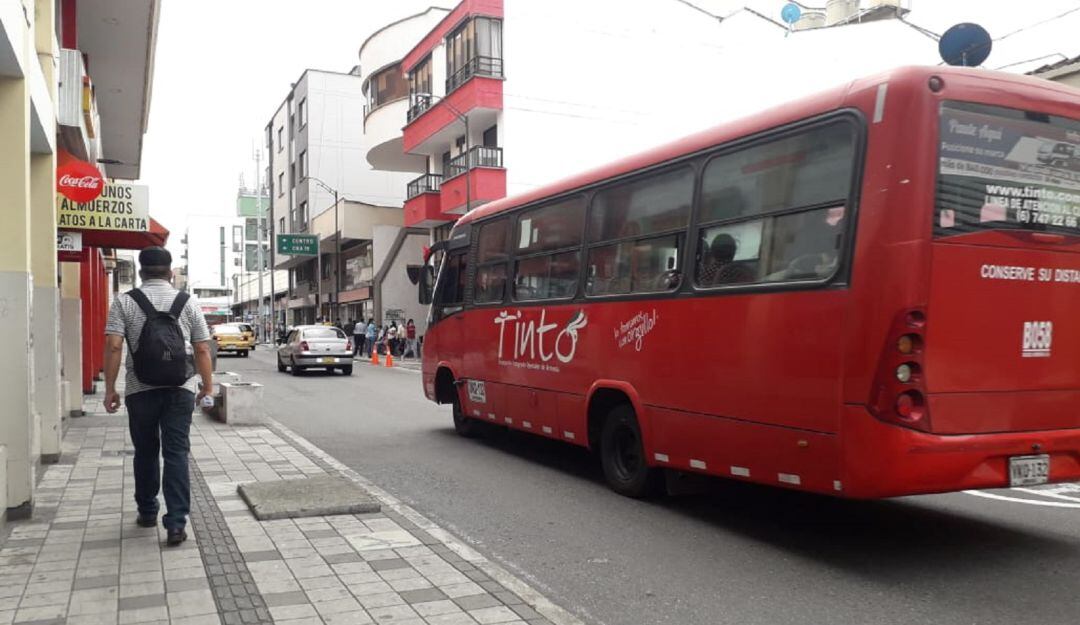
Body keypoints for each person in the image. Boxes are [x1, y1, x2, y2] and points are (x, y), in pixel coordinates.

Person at [103, 246, 213, 546]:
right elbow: (202, 348)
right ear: (170, 271)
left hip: (141, 390)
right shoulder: (187, 302)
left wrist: (110, 388)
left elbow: (114, 347)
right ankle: (176, 524)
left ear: (140, 272)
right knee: (176, 453)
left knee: (146, 451)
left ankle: (148, 511)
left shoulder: (124, 302)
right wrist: (207, 386)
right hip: (180, 390)